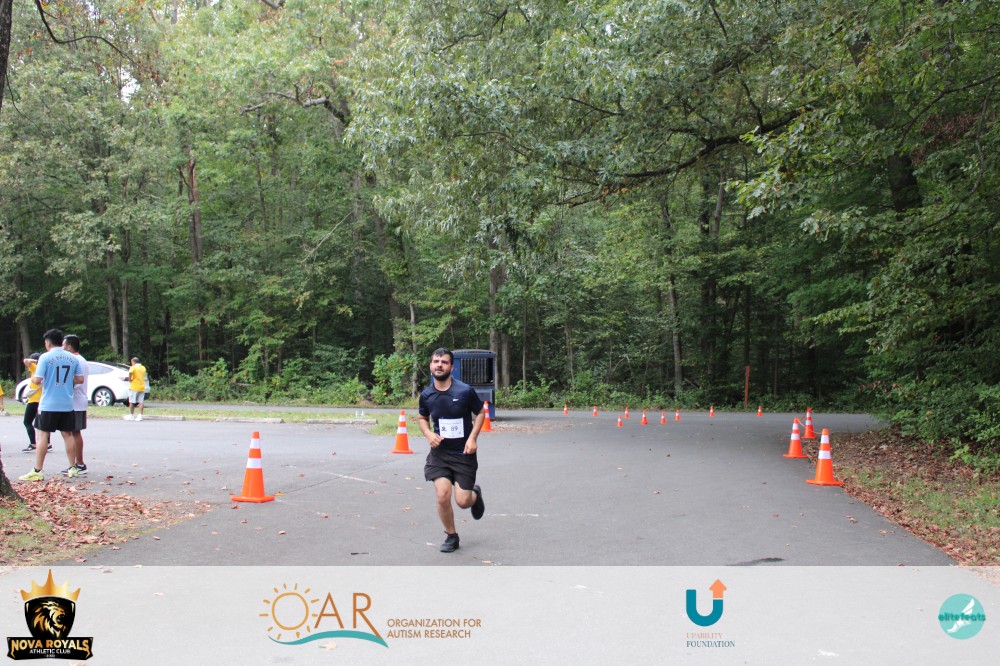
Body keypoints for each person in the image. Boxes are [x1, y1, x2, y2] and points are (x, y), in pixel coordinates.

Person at [416, 348, 486, 553]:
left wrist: (472, 438)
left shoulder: (464, 391)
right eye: (436, 361)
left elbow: (480, 413)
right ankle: (451, 535)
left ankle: (475, 495)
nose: (439, 365)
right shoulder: (426, 395)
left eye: (444, 362)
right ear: (430, 366)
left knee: (463, 501)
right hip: (440, 454)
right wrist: (428, 434)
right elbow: (422, 417)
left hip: (464, 454)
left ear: (451, 367)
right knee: (442, 495)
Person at [19, 329, 84, 482]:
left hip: (48, 403)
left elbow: (36, 380)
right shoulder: (72, 358)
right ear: (61, 342)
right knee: (68, 434)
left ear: (48, 343)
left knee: (42, 435)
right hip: (67, 403)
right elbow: (80, 379)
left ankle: (38, 470)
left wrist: (37, 377)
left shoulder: (45, 357)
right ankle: (72, 467)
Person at [61, 334, 88, 476]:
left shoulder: (75, 360)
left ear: (69, 347)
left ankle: (79, 464)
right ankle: (78, 463)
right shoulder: (81, 359)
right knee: (74, 432)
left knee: (74, 432)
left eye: (63, 345)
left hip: (75, 401)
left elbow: (76, 380)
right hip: (78, 400)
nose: (62, 348)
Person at [21, 353, 46, 453]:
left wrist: (37, 362)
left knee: (27, 422)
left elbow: (26, 361)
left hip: (34, 400)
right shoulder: (45, 368)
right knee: (42, 423)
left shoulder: (36, 367)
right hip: (43, 399)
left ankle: (33, 443)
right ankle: (47, 443)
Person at [125, 357, 147, 421]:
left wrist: (130, 379)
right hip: (142, 386)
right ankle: (140, 416)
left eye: (131, 362)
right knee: (141, 402)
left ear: (133, 362)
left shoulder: (133, 367)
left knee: (132, 401)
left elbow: (130, 372)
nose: (131, 363)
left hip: (134, 386)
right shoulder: (143, 367)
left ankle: (131, 415)